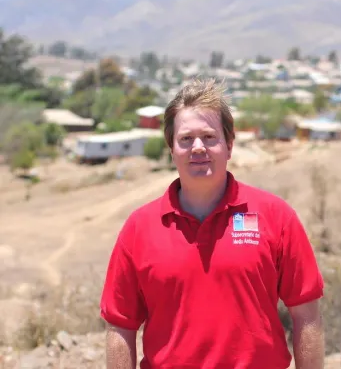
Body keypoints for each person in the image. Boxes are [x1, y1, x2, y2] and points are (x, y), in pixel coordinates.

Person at [100, 78, 325, 369]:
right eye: (185, 139)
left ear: (229, 145)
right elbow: (119, 326)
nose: (198, 148)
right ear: (171, 149)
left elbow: (307, 314)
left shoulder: (276, 217)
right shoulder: (139, 228)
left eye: (209, 137)